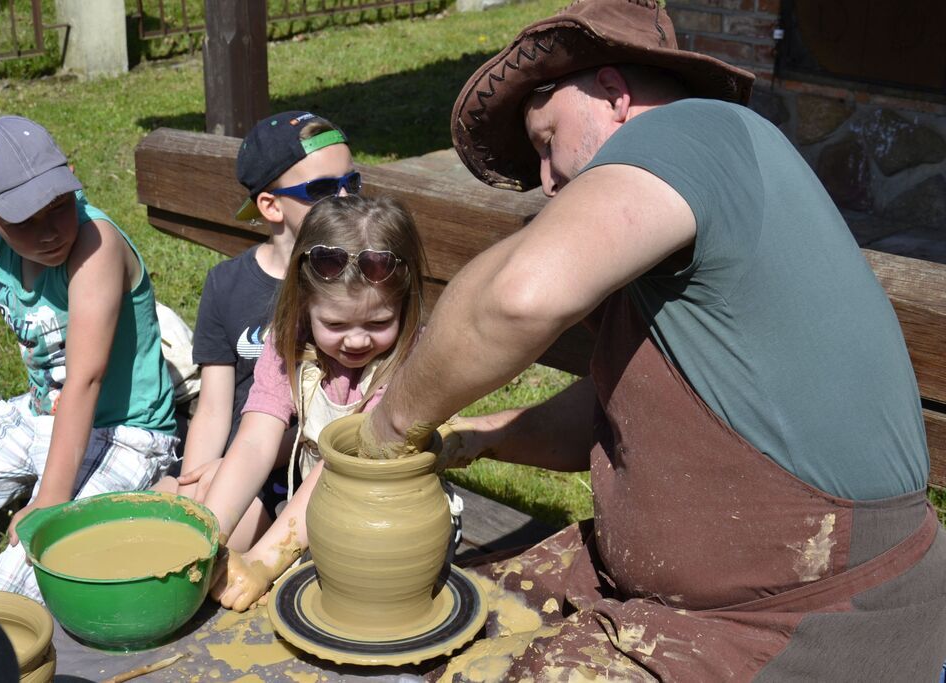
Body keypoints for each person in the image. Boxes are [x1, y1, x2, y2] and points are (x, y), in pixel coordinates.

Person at [359, 0, 946, 680]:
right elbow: (635, 415)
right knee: (457, 622)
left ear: (613, 93)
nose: (547, 181)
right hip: (690, 593)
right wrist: (487, 433)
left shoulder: (695, 128)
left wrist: (391, 421)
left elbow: (517, 298)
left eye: (546, 140)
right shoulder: (679, 220)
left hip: (821, 615)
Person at [0, 115, 177, 601]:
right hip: (43, 412)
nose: (49, 232)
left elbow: (85, 377)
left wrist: (50, 501)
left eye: (58, 206)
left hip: (126, 431)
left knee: (18, 582)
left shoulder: (95, 245)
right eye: (24, 221)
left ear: (71, 178)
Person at [203, 194, 428, 612]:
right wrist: (205, 535)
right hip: (309, 514)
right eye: (336, 324)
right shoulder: (289, 339)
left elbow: (339, 471)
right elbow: (255, 440)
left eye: (379, 323)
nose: (357, 340)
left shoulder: (408, 364)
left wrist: (261, 561)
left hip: (387, 535)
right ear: (304, 304)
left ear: (404, 304)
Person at [154, 111, 359, 552]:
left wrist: (228, 468)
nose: (345, 199)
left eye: (352, 183)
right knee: (166, 520)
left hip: (306, 464)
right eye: (322, 190)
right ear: (271, 205)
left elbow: (345, 416)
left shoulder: (356, 287)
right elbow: (212, 406)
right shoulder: (226, 284)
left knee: (211, 550)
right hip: (240, 457)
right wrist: (196, 481)